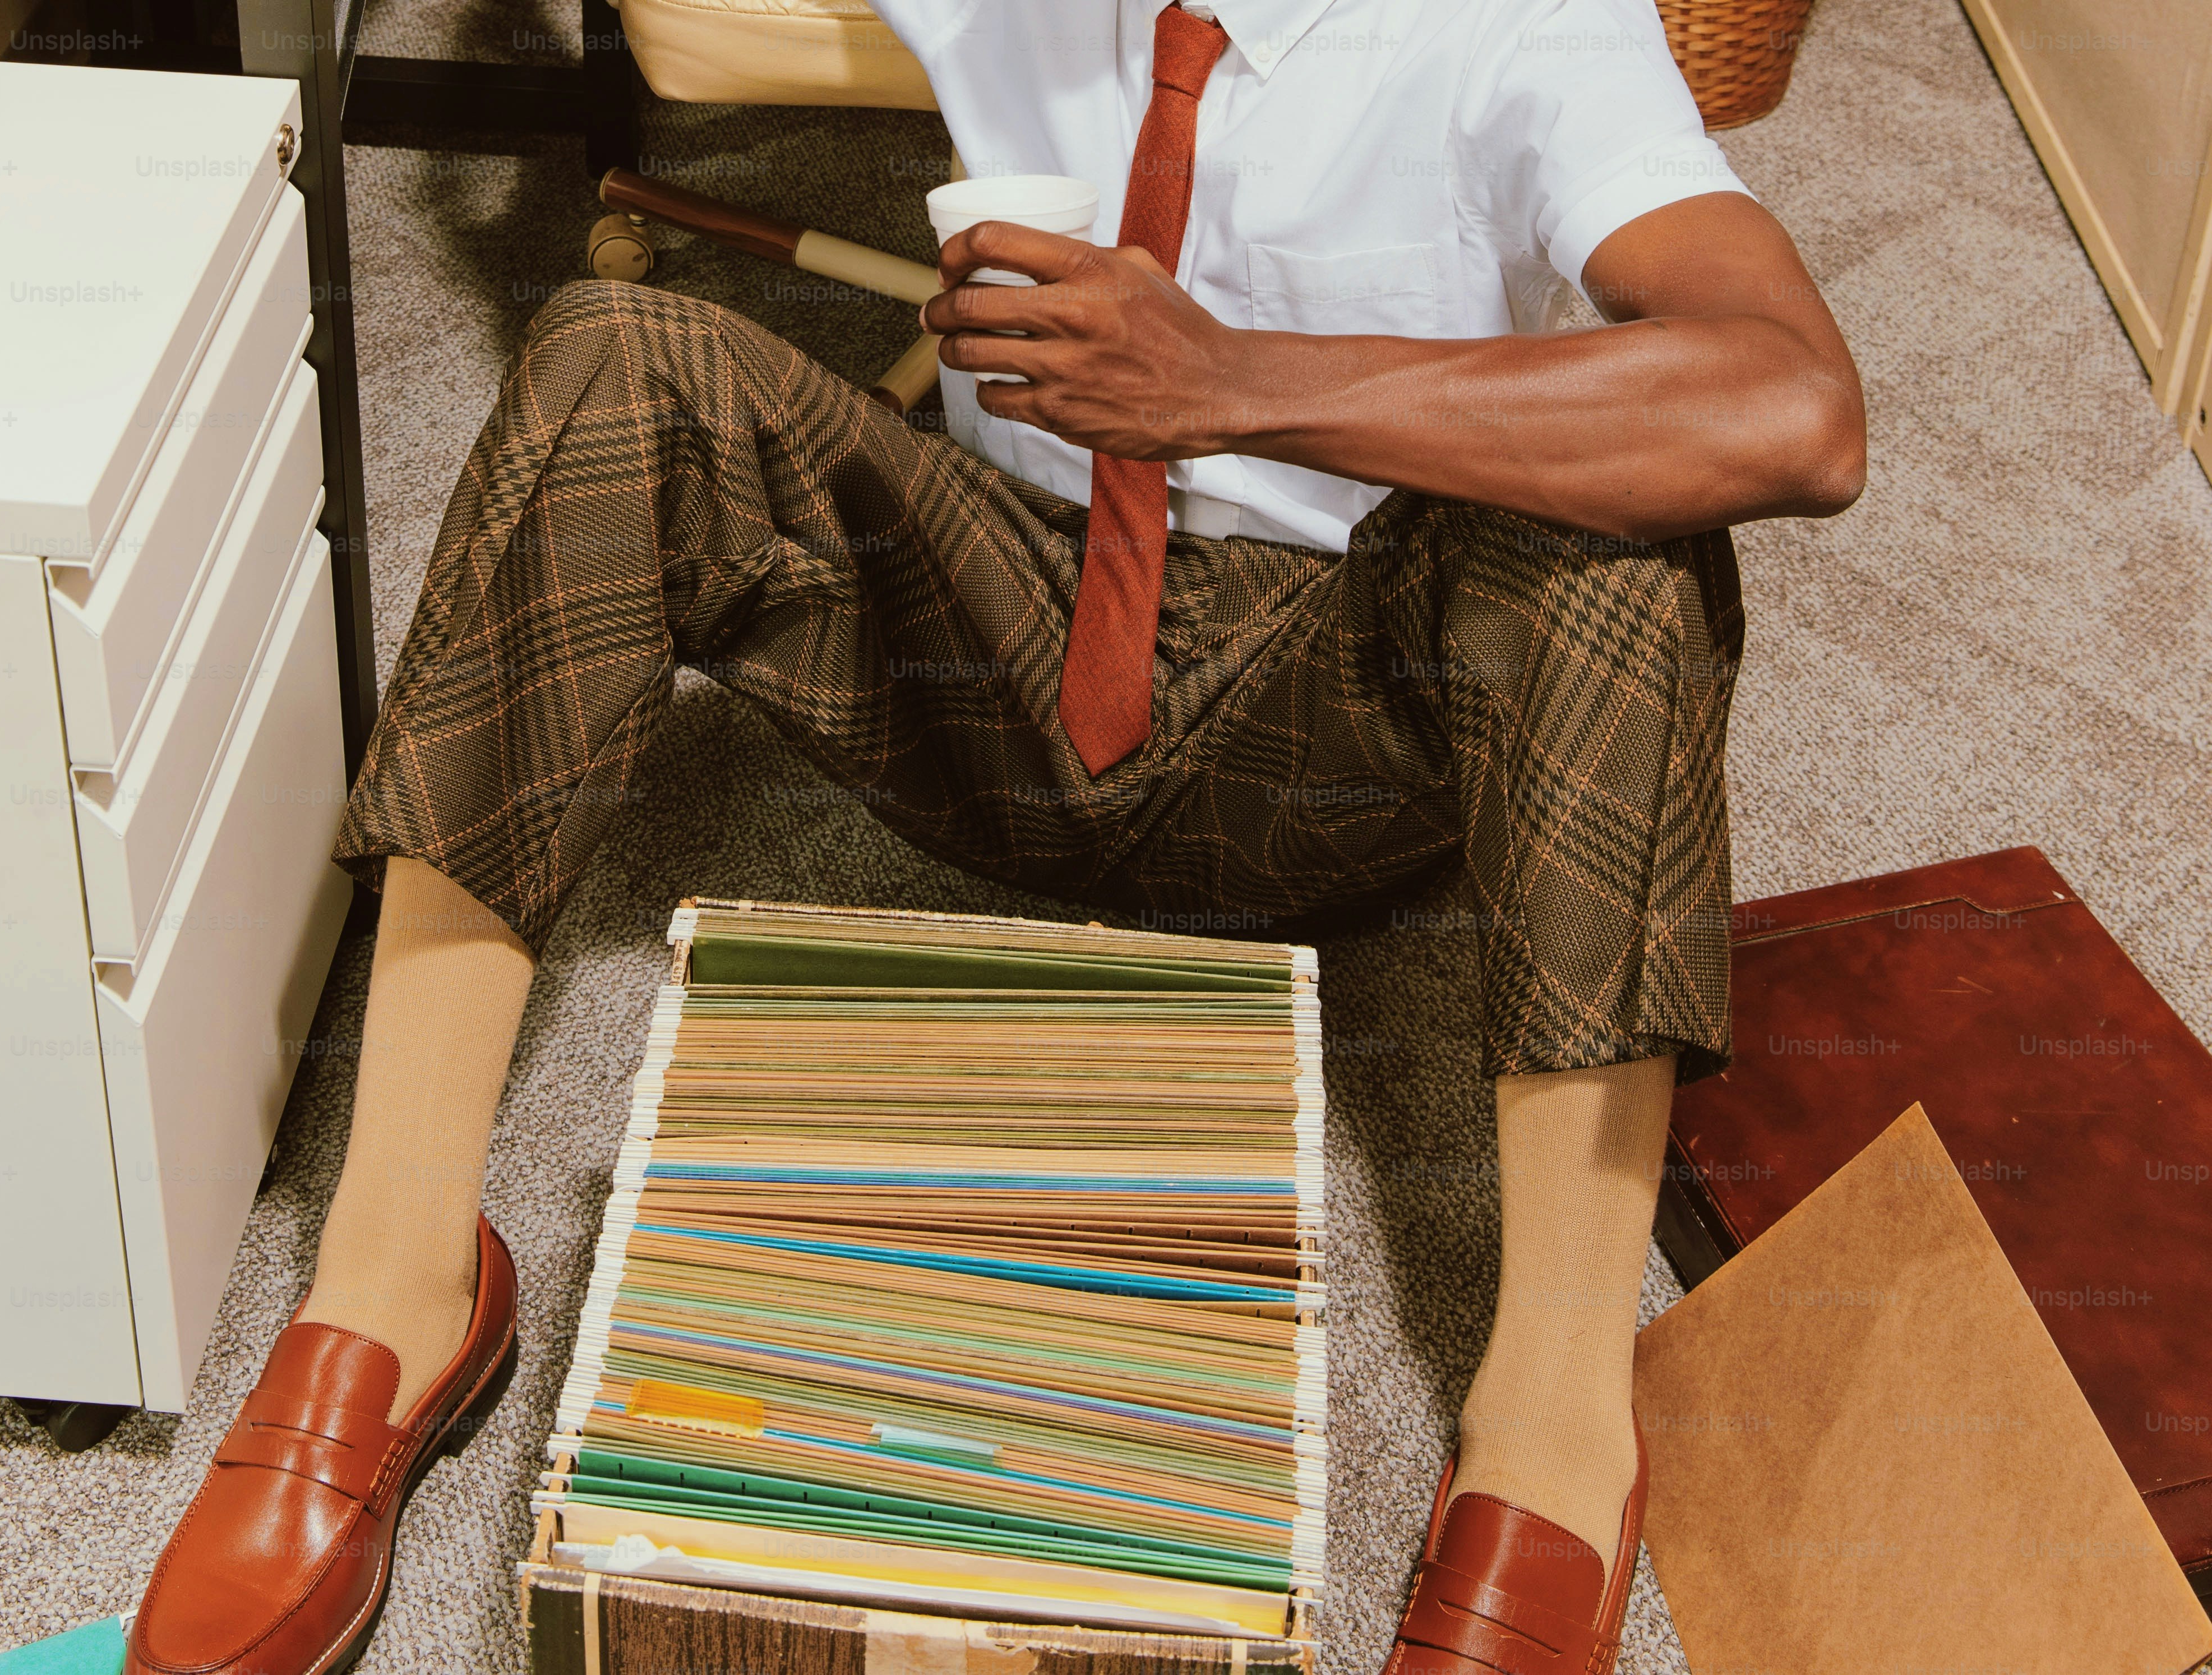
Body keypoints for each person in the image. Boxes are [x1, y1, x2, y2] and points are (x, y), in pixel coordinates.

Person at [122, 1, 1864, 1671]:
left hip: (1331, 725)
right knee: (609, 355)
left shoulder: (1531, 24)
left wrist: (1236, 383)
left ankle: (1556, 1424)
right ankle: (397, 1275)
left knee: (1626, 550)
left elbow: (1794, 407)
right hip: (998, 648)